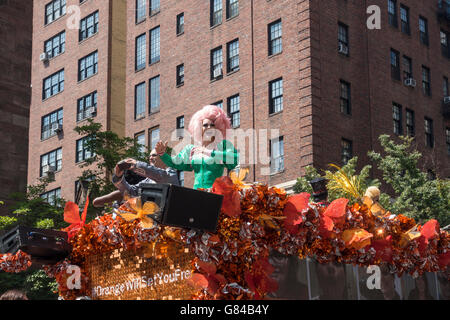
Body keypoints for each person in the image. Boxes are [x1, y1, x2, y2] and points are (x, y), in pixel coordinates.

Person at [155, 105, 239, 190]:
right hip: (196, 194)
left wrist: (208, 152)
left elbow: (235, 159)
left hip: (214, 194)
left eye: (212, 125)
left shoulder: (222, 145)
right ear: (199, 127)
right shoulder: (191, 149)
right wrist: (162, 154)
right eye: (205, 125)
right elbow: (175, 162)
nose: (209, 127)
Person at [92, 149, 179, 207]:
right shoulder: (148, 180)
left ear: (164, 158)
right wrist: (119, 177)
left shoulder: (171, 174)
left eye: (154, 155)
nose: (150, 158)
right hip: (150, 225)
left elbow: (160, 176)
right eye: (149, 156)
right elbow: (131, 192)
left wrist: (134, 165)